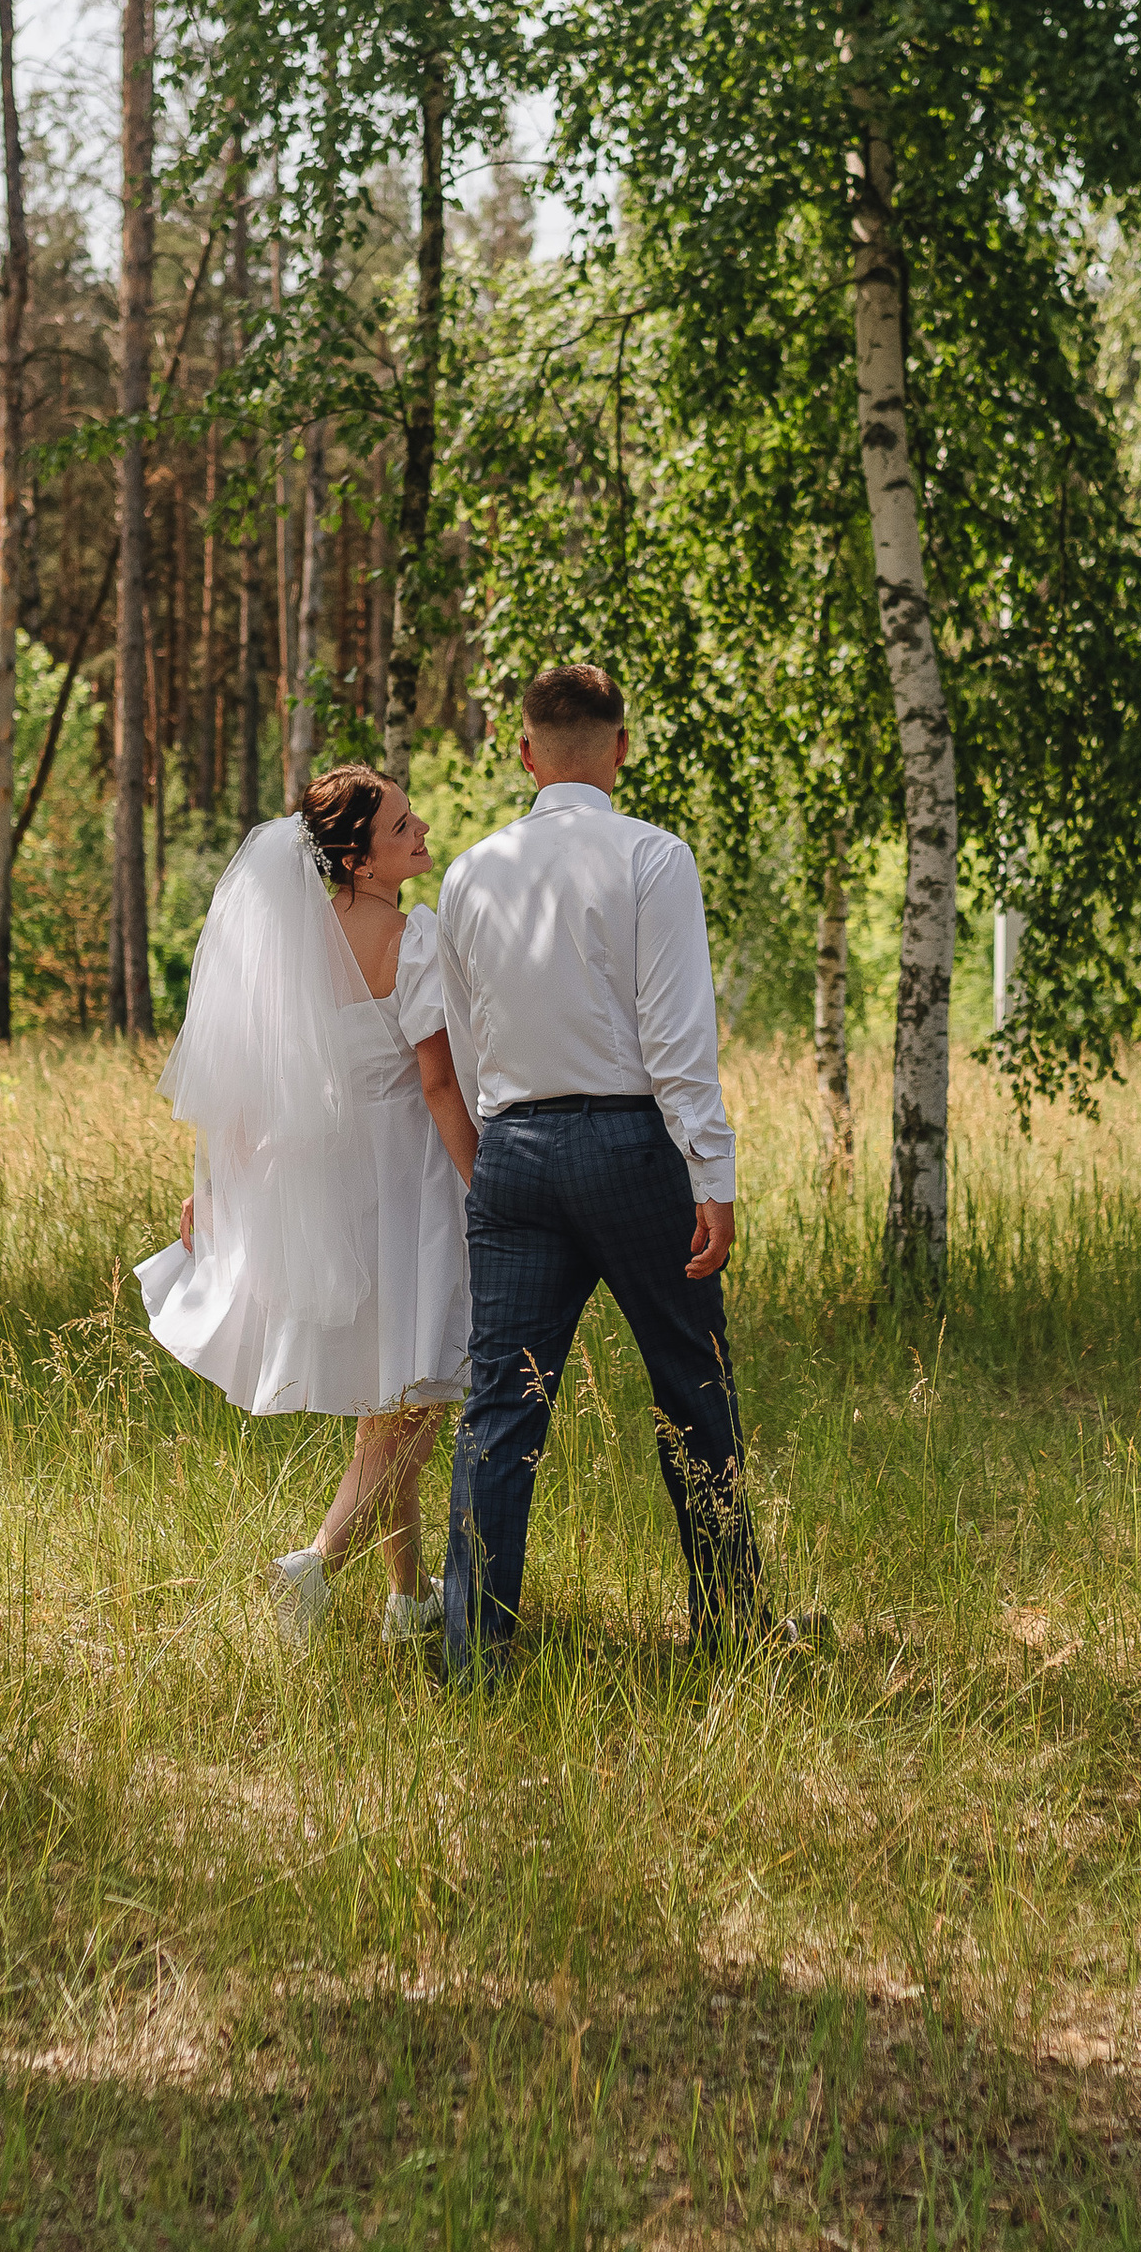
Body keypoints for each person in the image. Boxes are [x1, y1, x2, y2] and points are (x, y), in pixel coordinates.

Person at [434, 661, 759, 1676]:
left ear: (523, 752)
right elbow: (675, 1037)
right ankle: (730, 1632)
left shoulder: (469, 870)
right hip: (630, 1145)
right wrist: (713, 1171)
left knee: (500, 1407)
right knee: (690, 1388)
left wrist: (501, 1158)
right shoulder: (653, 858)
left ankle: (471, 1647)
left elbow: (464, 1035)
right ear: (621, 747)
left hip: (515, 1153)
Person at [135, 766, 478, 1651]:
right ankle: (316, 1563)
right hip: (411, 1183)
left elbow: (252, 1089)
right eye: (403, 825)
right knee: (411, 1407)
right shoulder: (411, 939)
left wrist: (217, 1191)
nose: (421, 828)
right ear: (361, 857)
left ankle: (407, 1606)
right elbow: (440, 1084)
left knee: (389, 1402)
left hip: (334, 1185)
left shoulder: (294, 946)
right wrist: (487, 1185)